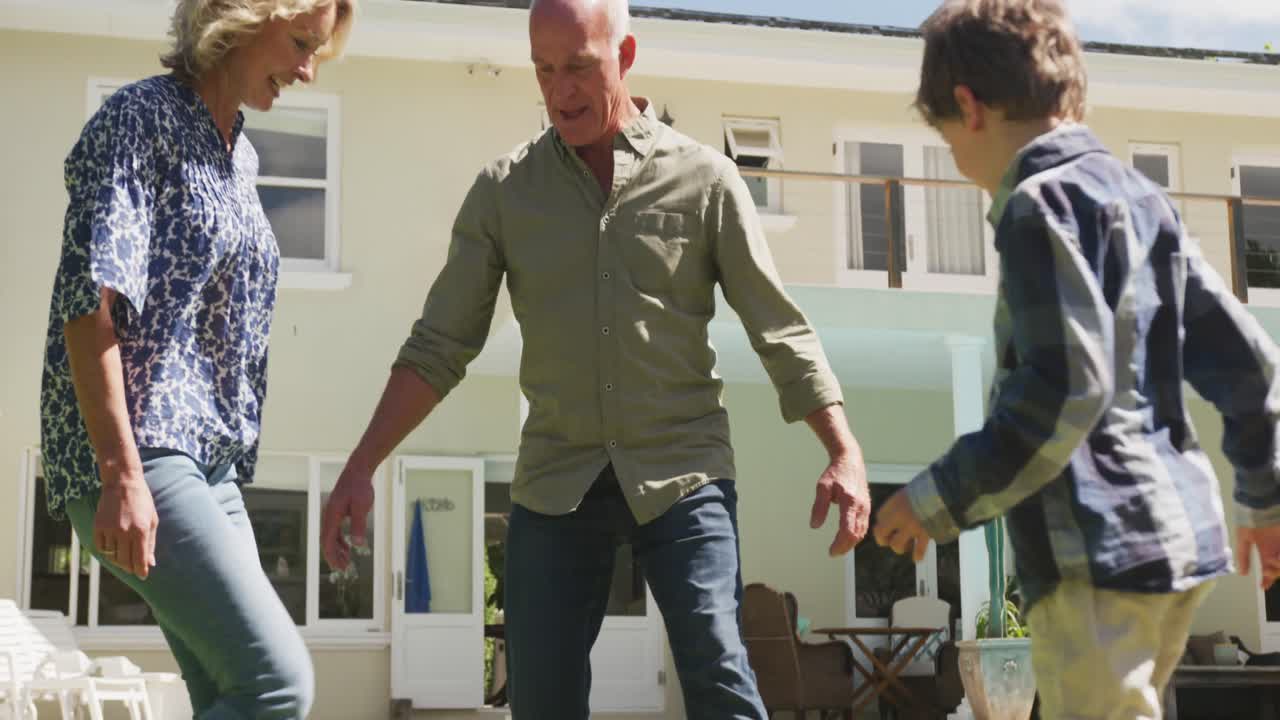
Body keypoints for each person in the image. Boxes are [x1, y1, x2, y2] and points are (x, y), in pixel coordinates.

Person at [319, 0, 870, 716]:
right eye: (544, 70)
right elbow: (440, 343)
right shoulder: (505, 193)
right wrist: (362, 464)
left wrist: (843, 450)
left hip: (683, 469)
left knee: (718, 669)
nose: (561, 90)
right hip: (557, 477)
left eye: (578, 67)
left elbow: (779, 328)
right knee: (540, 697)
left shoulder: (705, 180)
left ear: (626, 55)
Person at [871, 1, 1280, 718]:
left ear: (968, 107)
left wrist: (936, 498)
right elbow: (1249, 363)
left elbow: (1062, 392)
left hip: (1097, 555)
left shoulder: (1037, 206)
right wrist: (1264, 496)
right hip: (1181, 541)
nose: (957, 161)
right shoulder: (1144, 199)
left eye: (944, 139)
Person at [39, 0, 356, 716]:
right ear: (240, 19)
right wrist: (122, 475)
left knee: (230, 692)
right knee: (278, 684)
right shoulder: (136, 121)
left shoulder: (242, 156)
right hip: (139, 451)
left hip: (211, 464)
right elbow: (88, 304)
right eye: (300, 42)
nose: (308, 70)